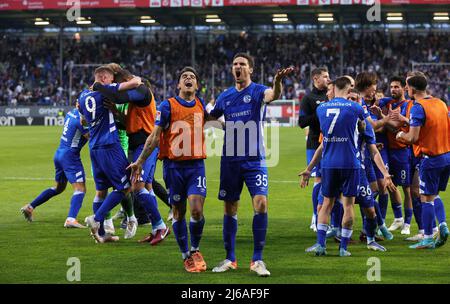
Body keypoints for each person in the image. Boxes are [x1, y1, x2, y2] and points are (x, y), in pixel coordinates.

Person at [208, 52, 293, 276]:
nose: (238, 67)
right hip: (230, 159)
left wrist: (277, 81)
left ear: (250, 69)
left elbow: (273, 94)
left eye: (242, 64)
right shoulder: (224, 96)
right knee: (230, 208)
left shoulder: (257, 90)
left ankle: (257, 260)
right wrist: (222, 126)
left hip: (255, 158)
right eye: (235, 64)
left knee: (261, 203)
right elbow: (210, 119)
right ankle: (230, 258)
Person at [128, 67, 210, 272]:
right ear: (179, 85)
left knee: (197, 210)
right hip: (173, 167)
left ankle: (196, 249)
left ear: (197, 85)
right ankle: (185, 256)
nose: (189, 79)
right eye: (185, 77)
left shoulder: (200, 105)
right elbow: (154, 137)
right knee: (178, 212)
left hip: (196, 166)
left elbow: (212, 121)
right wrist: (139, 161)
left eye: (192, 77)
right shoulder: (167, 106)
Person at [92, 65, 170, 244]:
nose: (116, 86)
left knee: (136, 185)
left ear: (123, 80)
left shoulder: (141, 89)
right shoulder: (136, 99)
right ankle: (156, 227)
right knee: (146, 186)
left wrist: (99, 87)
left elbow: (118, 95)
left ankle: (160, 226)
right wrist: (115, 112)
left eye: (117, 83)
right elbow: (128, 123)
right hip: (137, 145)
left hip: (145, 145)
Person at [301, 76, 367, 257]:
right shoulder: (355, 107)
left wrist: (309, 168)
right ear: (347, 88)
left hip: (329, 163)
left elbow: (324, 142)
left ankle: (321, 245)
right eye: (352, 87)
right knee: (348, 206)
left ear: (335, 88)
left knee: (326, 204)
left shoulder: (322, 108)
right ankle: (343, 248)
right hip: (350, 163)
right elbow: (364, 127)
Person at [395, 74, 449, 249]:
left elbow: (413, 137)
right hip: (446, 156)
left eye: (407, 87)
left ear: (412, 89)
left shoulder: (418, 107)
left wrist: (401, 135)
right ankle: (442, 225)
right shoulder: (440, 103)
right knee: (434, 195)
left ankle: (426, 237)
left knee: (425, 198)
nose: (406, 90)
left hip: (430, 158)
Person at [21, 104, 89, 228]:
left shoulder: (71, 113)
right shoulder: (81, 119)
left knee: (58, 188)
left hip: (59, 153)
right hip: (70, 156)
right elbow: (90, 136)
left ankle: (30, 207)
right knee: (80, 189)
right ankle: (71, 219)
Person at [298, 67, 330, 232]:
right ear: (316, 79)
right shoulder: (308, 98)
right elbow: (302, 122)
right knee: (318, 179)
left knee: (328, 180)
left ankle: (325, 216)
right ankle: (316, 216)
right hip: (314, 143)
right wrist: (319, 113)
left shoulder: (330, 95)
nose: (328, 79)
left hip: (331, 143)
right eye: (325, 76)